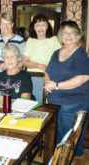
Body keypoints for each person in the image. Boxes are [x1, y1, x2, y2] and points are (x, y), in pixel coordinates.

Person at [44, 21, 89, 156]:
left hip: (73, 103)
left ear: (77, 35)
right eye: (65, 32)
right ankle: (57, 155)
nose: (68, 36)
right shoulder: (56, 52)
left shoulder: (80, 53)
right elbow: (48, 71)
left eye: (72, 33)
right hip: (55, 102)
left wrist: (56, 86)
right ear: (60, 35)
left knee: (67, 138)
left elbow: (83, 78)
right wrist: (47, 82)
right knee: (54, 134)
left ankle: (65, 157)